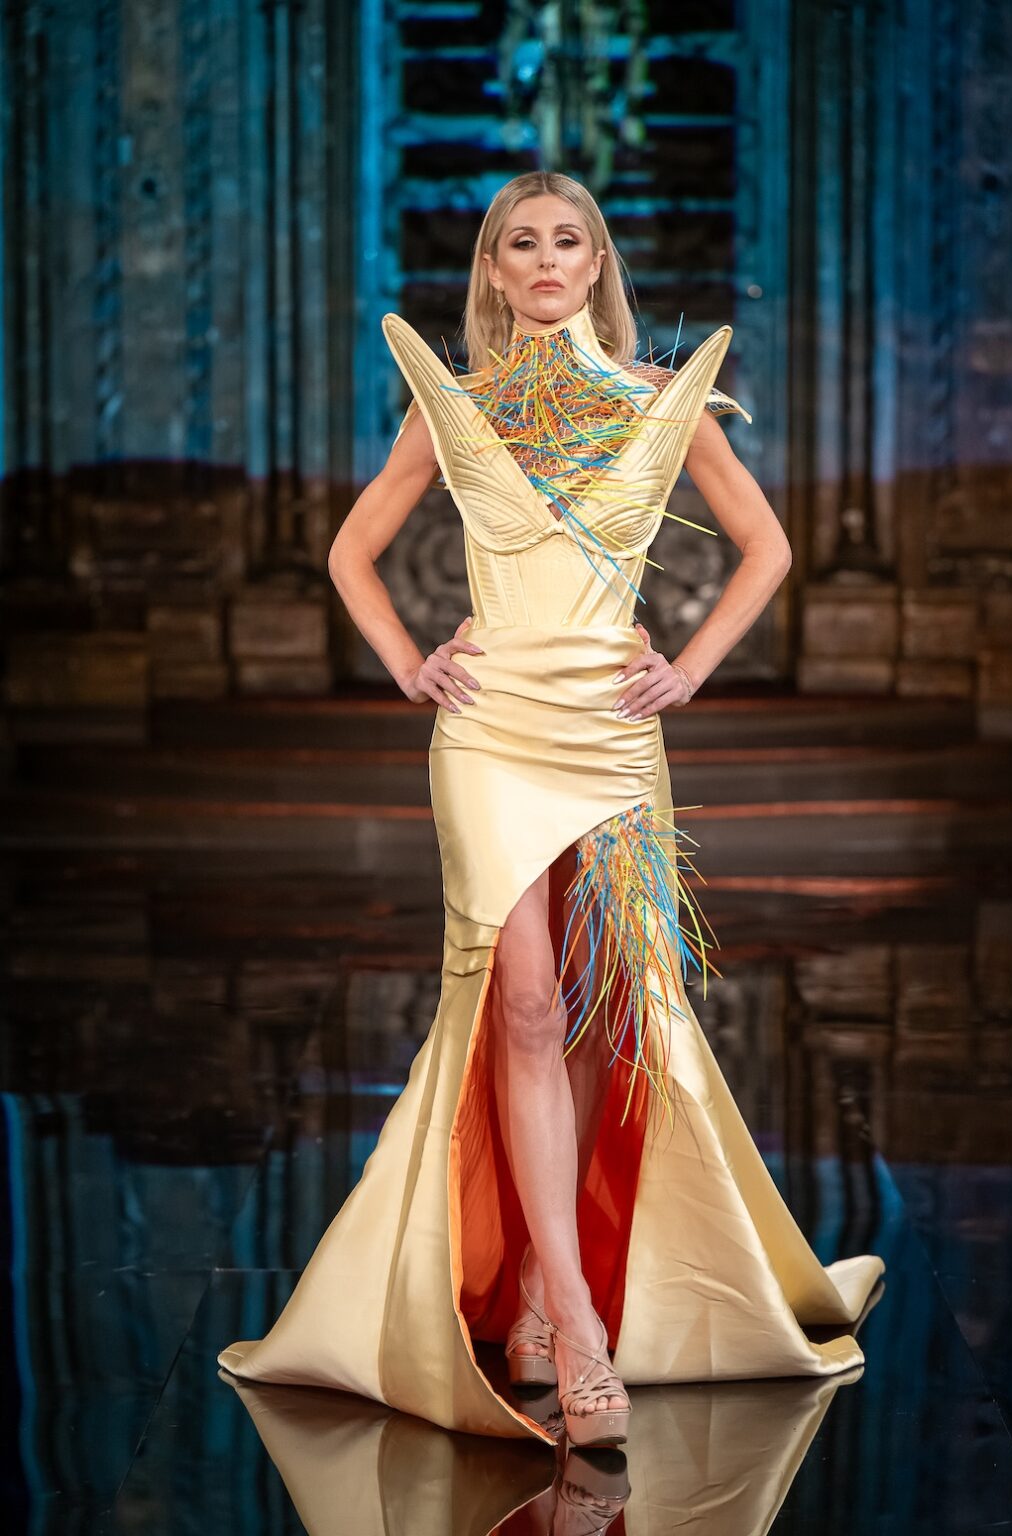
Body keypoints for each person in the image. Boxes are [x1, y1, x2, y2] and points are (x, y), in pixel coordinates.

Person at [217, 170, 884, 1452]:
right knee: (523, 1003)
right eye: (519, 242)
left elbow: (771, 548)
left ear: (596, 265)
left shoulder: (656, 402)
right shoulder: (457, 405)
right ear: (493, 268)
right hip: (487, 732)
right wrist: (410, 663)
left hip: (615, 737)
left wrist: (688, 670)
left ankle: (537, 1284)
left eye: (566, 241)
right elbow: (350, 551)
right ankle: (575, 1330)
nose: (542, 260)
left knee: (594, 1012)